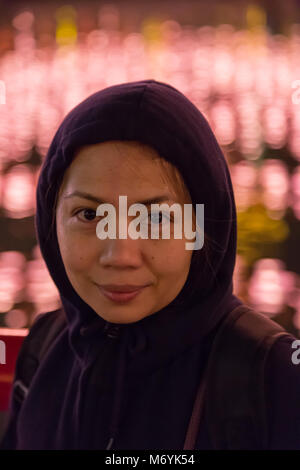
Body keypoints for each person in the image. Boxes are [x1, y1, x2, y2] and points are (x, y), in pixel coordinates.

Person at [1, 79, 300, 450]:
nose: (120, 256)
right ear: (50, 221)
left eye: (156, 218)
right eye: (90, 214)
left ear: (202, 228)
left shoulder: (273, 377)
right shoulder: (43, 350)